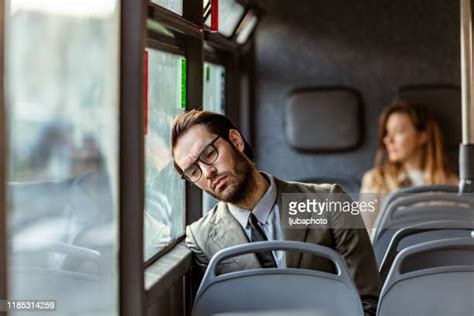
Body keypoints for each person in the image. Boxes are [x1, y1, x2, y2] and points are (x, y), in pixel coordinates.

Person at [171, 110, 381, 316]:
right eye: (193, 171)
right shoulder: (202, 238)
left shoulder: (330, 201)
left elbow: (367, 302)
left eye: (209, 154)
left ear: (235, 140)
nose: (208, 172)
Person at [360, 101, 458, 230]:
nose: (387, 139)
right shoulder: (376, 181)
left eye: (398, 132)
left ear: (422, 136)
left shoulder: (452, 185)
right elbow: (367, 237)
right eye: (387, 132)